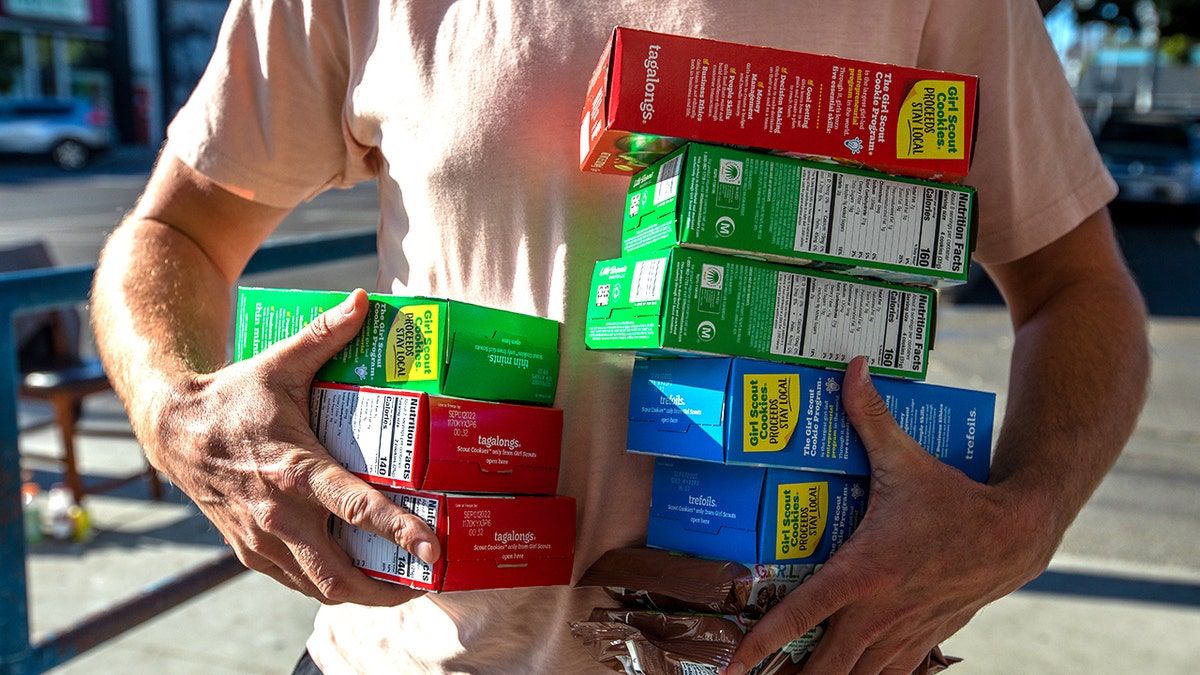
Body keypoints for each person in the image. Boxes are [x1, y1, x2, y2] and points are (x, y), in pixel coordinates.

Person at [89, 1, 1149, 673]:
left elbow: (1078, 290)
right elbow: (174, 229)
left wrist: (1024, 517)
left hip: (785, 654)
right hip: (407, 656)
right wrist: (178, 411)